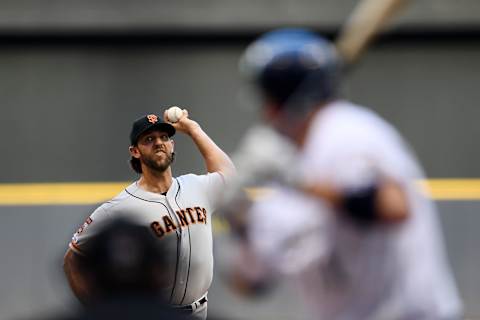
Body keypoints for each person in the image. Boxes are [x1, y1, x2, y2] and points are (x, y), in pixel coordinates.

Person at [227, 28, 463, 319]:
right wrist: (237, 217)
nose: (267, 113)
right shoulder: (292, 165)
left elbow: (394, 205)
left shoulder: (345, 131)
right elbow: (250, 284)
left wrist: (301, 182)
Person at [63, 109, 235, 320]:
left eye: (165, 137)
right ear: (135, 151)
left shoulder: (197, 186)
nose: (159, 142)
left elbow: (230, 177)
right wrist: (98, 310)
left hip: (200, 312)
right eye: (149, 139)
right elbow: (72, 258)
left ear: (172, 145)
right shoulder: (120, 206)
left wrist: (193, 129)